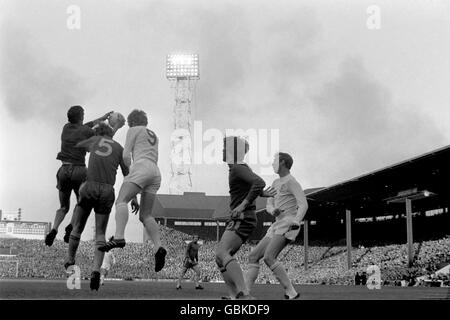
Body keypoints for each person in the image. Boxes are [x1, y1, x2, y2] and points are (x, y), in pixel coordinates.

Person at [99, 110, 167, 273]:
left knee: (121, 201)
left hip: (141, 167)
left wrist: (129, 173)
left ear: (131, 122)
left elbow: (126, 155)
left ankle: (119, 237)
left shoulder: (133, 130)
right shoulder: (153, 134)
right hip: (155, 172)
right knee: (146, 215)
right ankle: (159, 247)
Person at [64, 123, 130, 290]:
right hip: (107, 190)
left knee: (78, 227)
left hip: (90, 186)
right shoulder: (120, 148)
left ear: (99, 132)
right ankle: (95, 271)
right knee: (101, 233)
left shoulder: (94, 140)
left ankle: (70, 260)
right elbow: (127, 173)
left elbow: (76, 145)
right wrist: (133, 197)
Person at [45, 106, 112, 246]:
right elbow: (98, 133)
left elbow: (84, 126)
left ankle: (54, 229)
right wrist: (108, 123)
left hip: (63, 170)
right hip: (79, 171)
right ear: (81, 117)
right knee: (80, 203)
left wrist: (101, 117)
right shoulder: (86, 132)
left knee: (63, 207)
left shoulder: (66, 128)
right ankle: (70, 227)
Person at [244, 152, 308, 300]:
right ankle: (244, 294)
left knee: (269, 257)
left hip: (288, 223)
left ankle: (291, 292)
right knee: (253, 256)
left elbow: (303, 204)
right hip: (276, 224)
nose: (273, 163)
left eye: (275, 160)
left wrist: (296, 221)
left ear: (283, 162)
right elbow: (269, 204)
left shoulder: (292, 181)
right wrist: (273, 210)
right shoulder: (275, 183)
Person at [215, 136, 268, 300]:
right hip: (242, 218)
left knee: (223, 252)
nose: (222, 151)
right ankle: (234, 296)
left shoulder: (238, 168)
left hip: (243, 218)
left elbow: (259, 182)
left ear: (231, 151)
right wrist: (260, 193)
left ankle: (244, 294)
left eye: (224, 148)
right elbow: (254, 185)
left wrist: (242, 205)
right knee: (219, 257)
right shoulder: (239, 168)